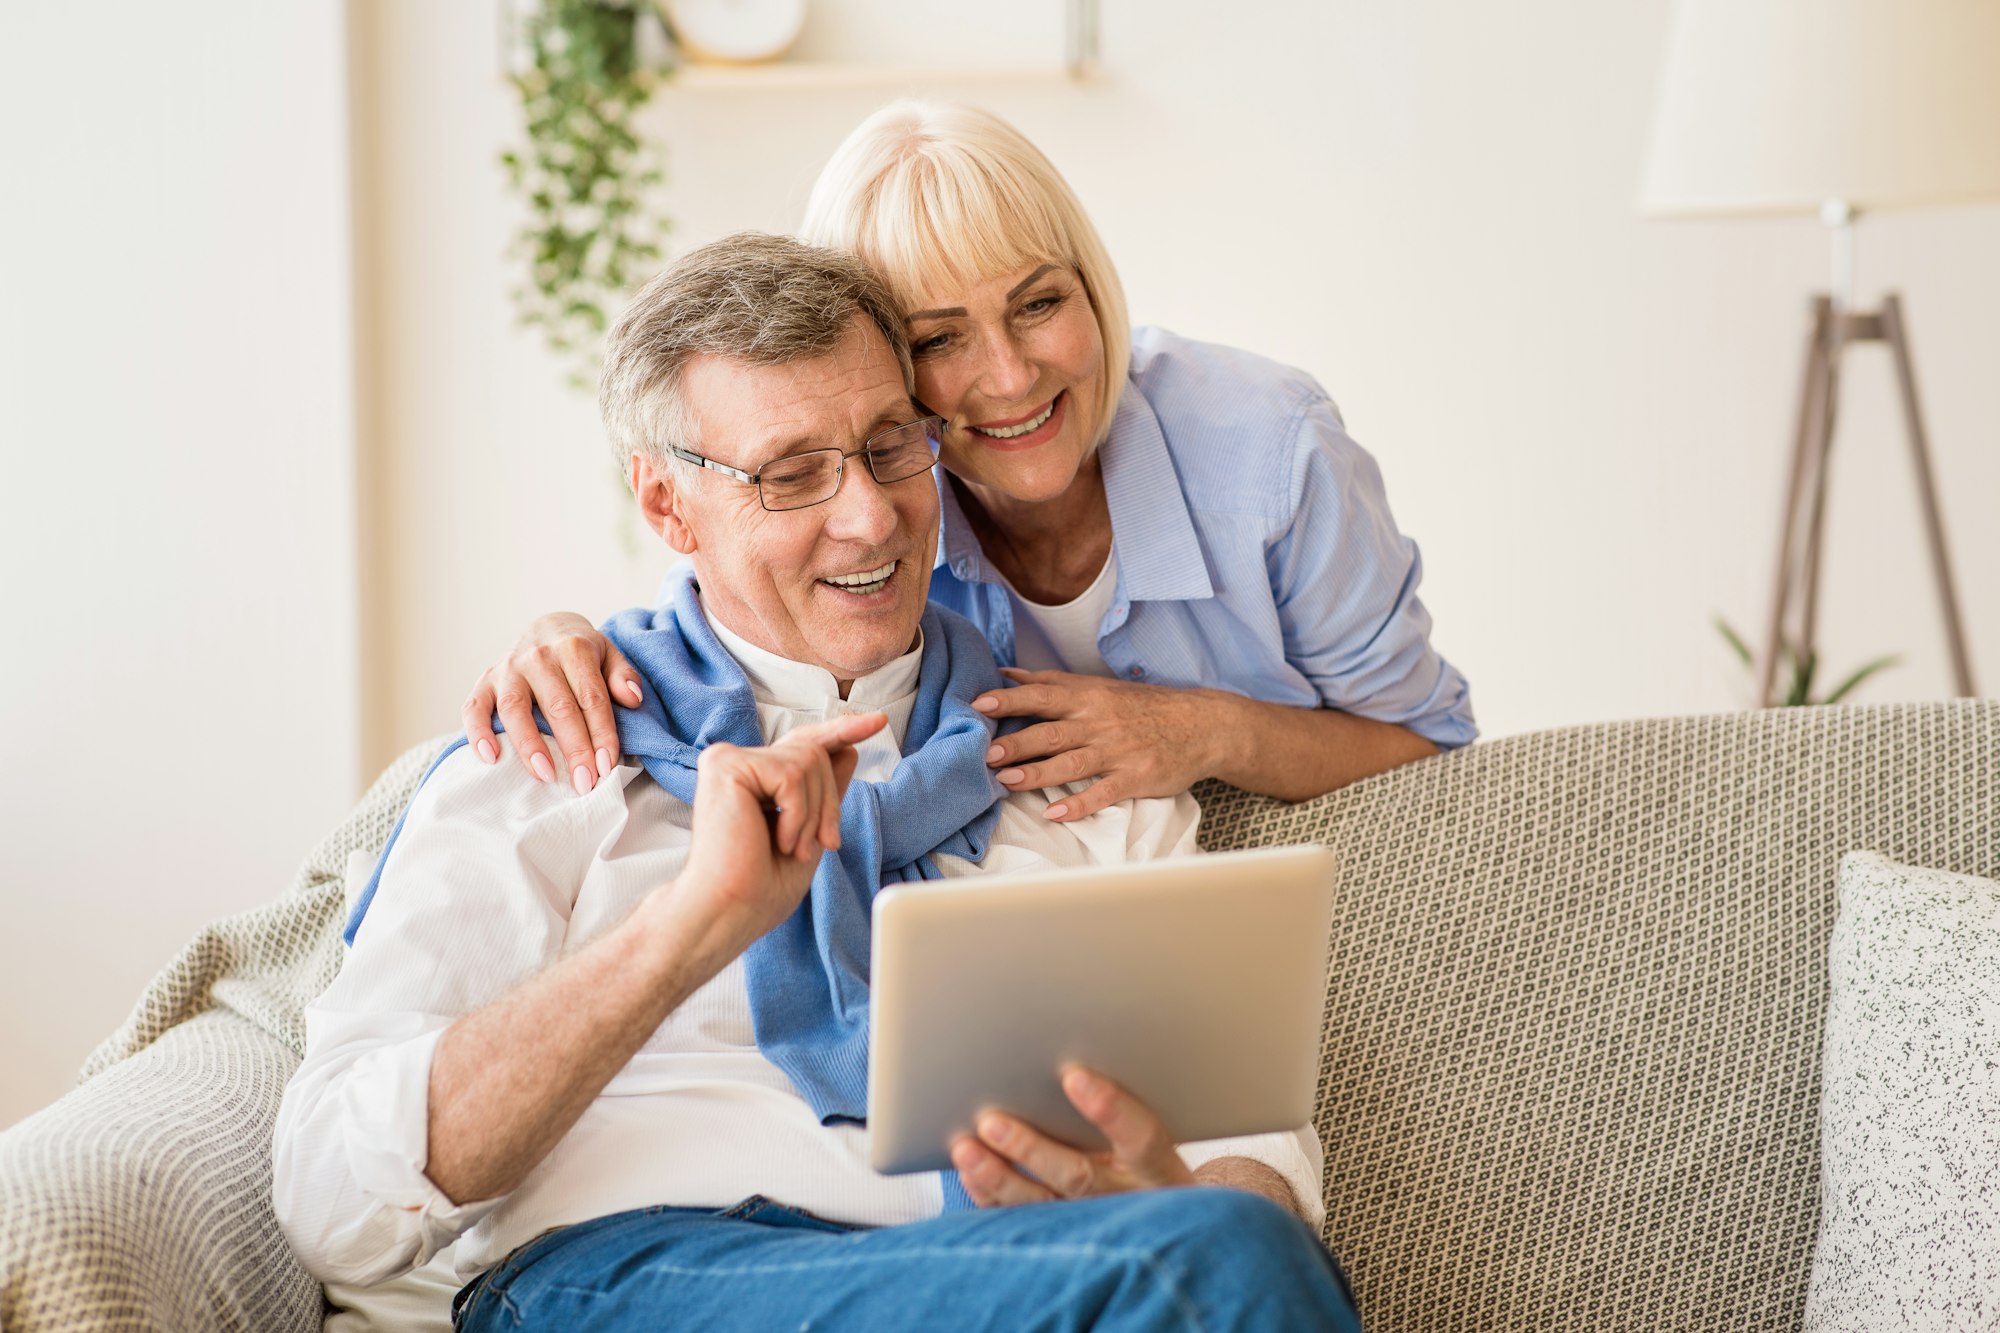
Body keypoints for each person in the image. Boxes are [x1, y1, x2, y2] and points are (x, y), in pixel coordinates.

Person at [273, 234, 1360, 1331]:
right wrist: (690, 926)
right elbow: (333, 1203)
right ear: (665, 506)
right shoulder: (552, 751)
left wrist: (1162, 1199)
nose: (871, 517)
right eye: (791, 473)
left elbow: (1249, 1154)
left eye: (891, 446)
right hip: (628, 1275)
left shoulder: (1070, 762)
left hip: (1016, 1277)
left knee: (1221, 1250)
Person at [463, 100, 1475, 823]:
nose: (1007, 375)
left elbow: (1434, 749)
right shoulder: (878, 500)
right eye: (938, 339)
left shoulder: (1269, 448)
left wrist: (1204, 731)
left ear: (1092, 286)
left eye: (1038, 302)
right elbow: (725, 604)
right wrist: (562, 636)